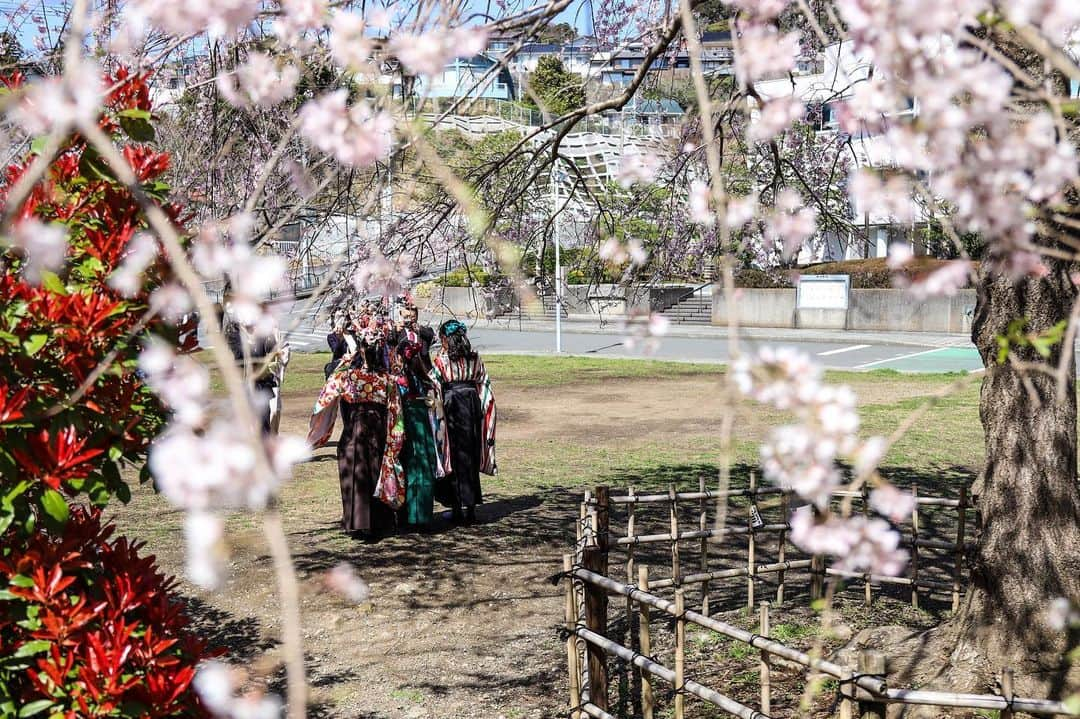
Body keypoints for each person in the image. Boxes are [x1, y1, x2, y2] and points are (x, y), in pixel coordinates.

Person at [308, 329, 405, 538]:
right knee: (374, 473)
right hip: (378, 434)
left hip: (353, 432)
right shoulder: (387, 380)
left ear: (360, 351)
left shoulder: (347, 377)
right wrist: (395, 442)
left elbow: (325, 398)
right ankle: (378, 523)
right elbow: (396, 413)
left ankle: (357, 522)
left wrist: (347, 358)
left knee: (354, 473)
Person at [430, 319, 497, 524]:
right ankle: (470, 508)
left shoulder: (441, 360)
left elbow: (434, 384)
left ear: (445, 338)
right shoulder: (475, 358)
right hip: (471, 404)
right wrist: (486, 410)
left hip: (451, 405)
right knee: (470, 454)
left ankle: (458, 508)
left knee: (454, 455)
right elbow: (484, 383)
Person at [394, 339, 443, 527]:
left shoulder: (400, 380)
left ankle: (407, 515)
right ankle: (424, 515)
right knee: (424, 466)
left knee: (408, 467)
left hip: (406, 423)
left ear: (400, 357)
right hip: (424, 425)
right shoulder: (425, 379)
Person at [220, 304, 279, 434]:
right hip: (244, 385)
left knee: (264, 424)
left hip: (262, 385)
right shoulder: (234, 337)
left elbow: (271, 353)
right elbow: (241, 357)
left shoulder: (262, 335)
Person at [268, 326, 291, 434]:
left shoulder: (275, 332)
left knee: (274, 410)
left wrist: (279, 354)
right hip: (256, 377)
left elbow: (285, 349)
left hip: (272, 376)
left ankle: (272, 437)